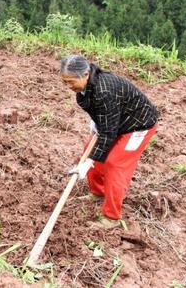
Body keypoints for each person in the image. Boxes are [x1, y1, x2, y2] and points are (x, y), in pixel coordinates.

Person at [60, 54, 159, 227]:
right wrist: (95, 121)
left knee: (115, 164)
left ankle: (111, 217)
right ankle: (98, 192)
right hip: (116, 122)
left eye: (71, 81)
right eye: (65, 82)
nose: (68, 86)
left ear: (85, 74)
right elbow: (103, 118)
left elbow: (108, 133)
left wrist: (89, 162)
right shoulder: (86, 87)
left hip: (138, 126)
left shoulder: (104, 90)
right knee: (89, 151)